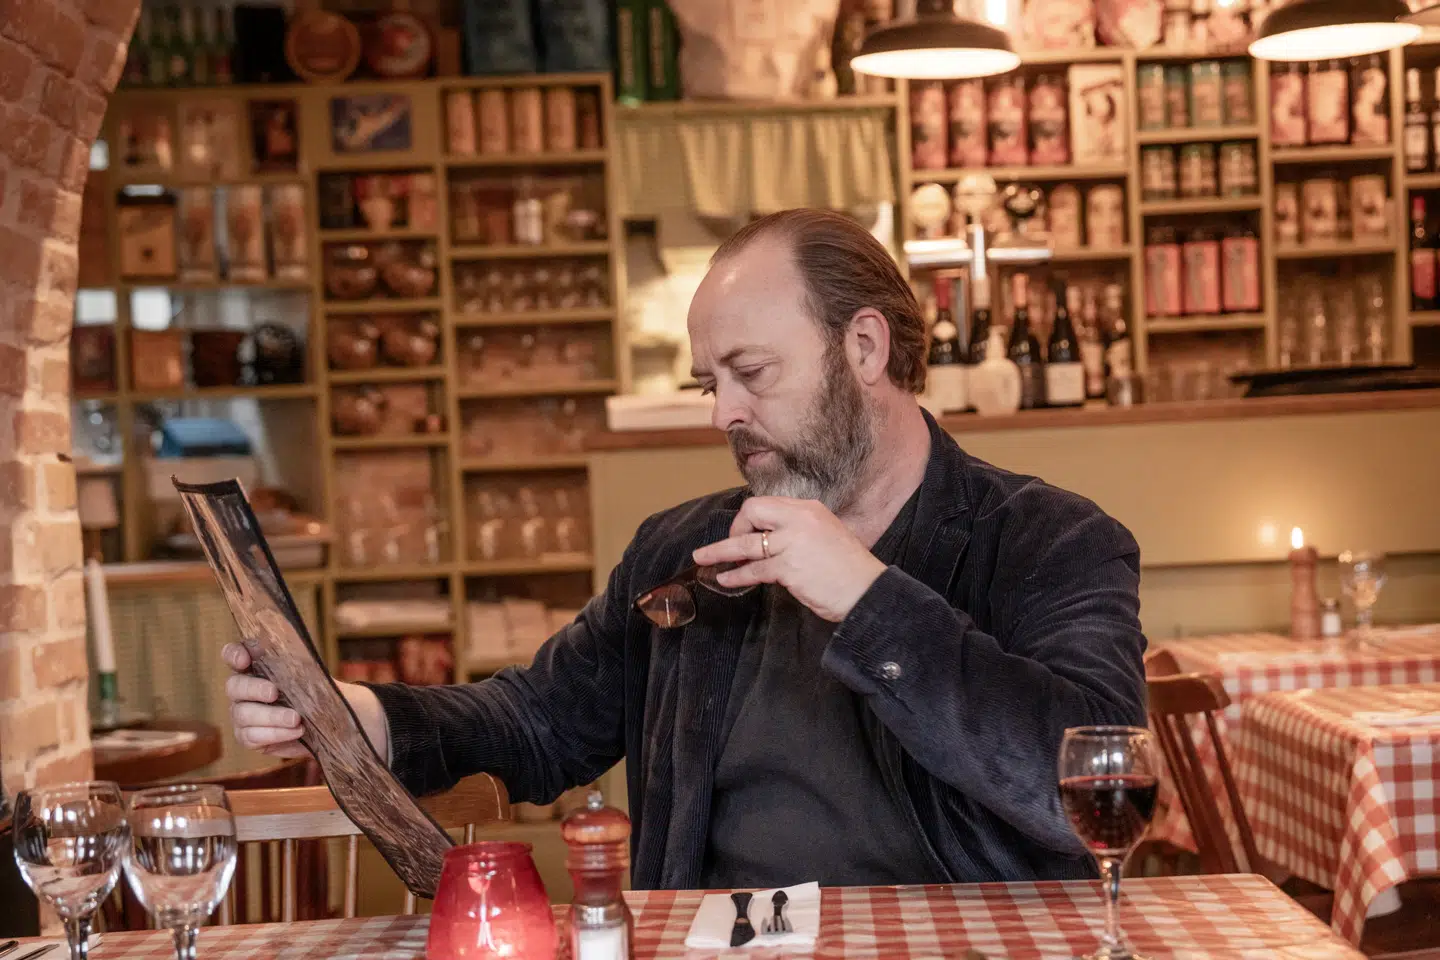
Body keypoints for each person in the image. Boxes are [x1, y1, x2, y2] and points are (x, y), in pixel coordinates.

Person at [225, 208, 1147, 890]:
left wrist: (869, 600)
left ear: (865, 347)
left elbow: (1086, 784)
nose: (722, 414)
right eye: (710, 382)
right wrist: (369, 719)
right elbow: (540, 723)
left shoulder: (1051, 540)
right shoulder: (682, 548)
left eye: (751, 373)